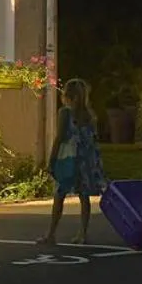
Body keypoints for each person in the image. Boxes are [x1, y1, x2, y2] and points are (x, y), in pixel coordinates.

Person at [39, 78, 106, 245]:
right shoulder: (90, 115)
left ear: (68, 96)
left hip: (68, 158)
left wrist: (52, 159)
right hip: (86, 159)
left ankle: (51, 234)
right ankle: (82, 233)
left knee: (60, 194)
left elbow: (60, 137)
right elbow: (92, 139)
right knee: (84, 196)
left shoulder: (65, 113)